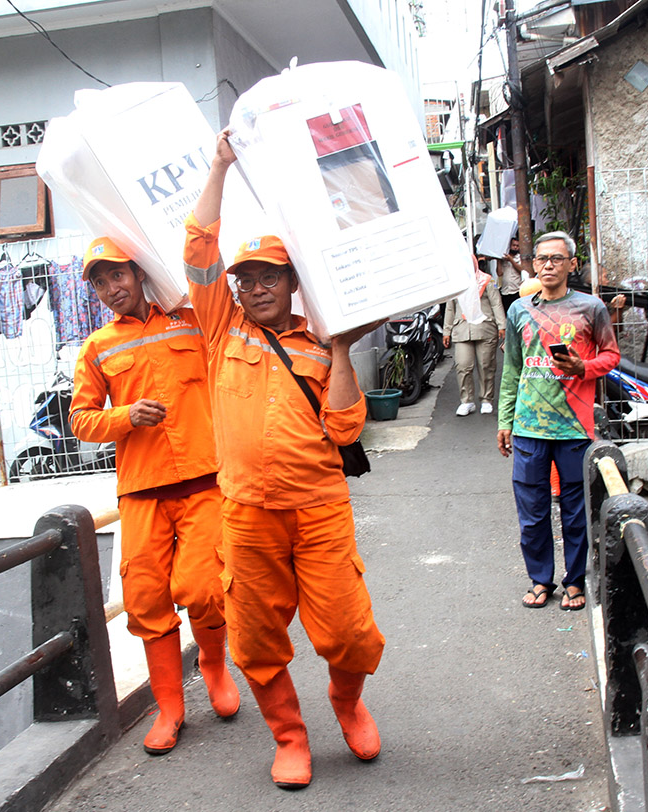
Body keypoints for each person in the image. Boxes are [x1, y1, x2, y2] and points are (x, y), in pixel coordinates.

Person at [182, 130, 386, 790]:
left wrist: (347, 351)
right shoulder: (222, 329)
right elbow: (198, 246)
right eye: (246, 278)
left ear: (292, 281)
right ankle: (290, 737)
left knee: (351, 635)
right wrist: (218, 165)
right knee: (255, 640)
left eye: (268, 275)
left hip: (320, 511)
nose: (256, 286)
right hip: (246, 516)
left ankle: (347, 703)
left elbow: (347, 425)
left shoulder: (320, 343)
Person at [69, 236, 240, 756]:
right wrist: (124, 417)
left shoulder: (191, 320)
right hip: (141, 490)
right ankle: (170, 708)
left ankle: (212, 667)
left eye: (117, 275)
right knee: (145, 599)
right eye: (99, 283)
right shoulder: (97, 347)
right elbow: (79, 418)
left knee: (206, 587)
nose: (110, 289)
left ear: (139, 273)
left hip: (203, 481)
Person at [497, 231, 619, 611]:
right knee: (532, 514)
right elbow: (513, 369)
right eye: (541, 259)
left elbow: (611, 356)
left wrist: (584, 367)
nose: (547, 265)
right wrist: (504, 419)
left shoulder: (591, 308)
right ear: (533, 265)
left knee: (575, 513)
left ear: (571, 264)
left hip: (573, 429)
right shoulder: (519, 311)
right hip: (528, 428)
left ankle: (574, 581)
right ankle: (539, 579)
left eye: (556, 258)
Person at [443, 261, 506, 416]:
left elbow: (496, 304)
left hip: (485, 328)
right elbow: (450, 307)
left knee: (486, 365)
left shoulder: (486, 280)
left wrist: (501, 325)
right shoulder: (455, 284)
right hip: (462, 329)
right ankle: (467, 401)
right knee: (463, 365)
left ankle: (486, 399)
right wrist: (447, 330)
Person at [497, 236, 529, 312]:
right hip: (505, 291)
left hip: (516, 291)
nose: (515, 247)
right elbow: (499, 273)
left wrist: (511, 260)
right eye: (513, 245)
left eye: (517, 246)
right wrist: (498, 260)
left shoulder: (519, 258)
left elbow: (521, 270)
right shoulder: (504, 258)